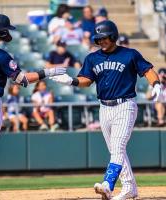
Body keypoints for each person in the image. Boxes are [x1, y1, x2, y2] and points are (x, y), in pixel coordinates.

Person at [50, 20, 161, 200]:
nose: (101, 41)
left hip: (125, 105)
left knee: (117, 148)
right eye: (98, 38)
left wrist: (156, 84)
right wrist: (71, 81)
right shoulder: (93, 58)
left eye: (104, 38)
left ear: (113, 36)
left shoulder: (130, 54)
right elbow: (86, 80)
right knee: (117, 151)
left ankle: (108, 184)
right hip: (104, 107)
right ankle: (129, 187)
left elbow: (148, 70)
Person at [0, 14, 66, 200]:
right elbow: (22, 80)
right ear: (0, 31)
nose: (8, 33)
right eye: (5, 29)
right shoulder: (1, 55)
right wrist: (47, 72)